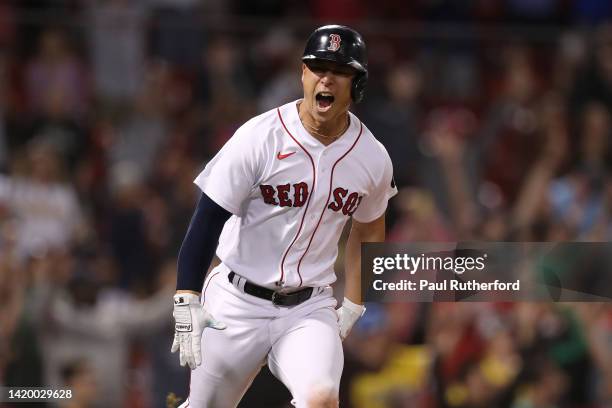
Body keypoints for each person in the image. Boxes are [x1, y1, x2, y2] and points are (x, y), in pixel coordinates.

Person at [171, 25, 397, 408]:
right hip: (236, 300)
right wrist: (186, 294)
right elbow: (208, 217)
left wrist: (355, 300)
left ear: (357, 83)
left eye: (339, 70)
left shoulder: (372, 157)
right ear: (303, 74)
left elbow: (369, 226)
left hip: (309, 307)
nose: (326, 77)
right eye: (318, 67)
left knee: (321, 399)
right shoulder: (259, 137)